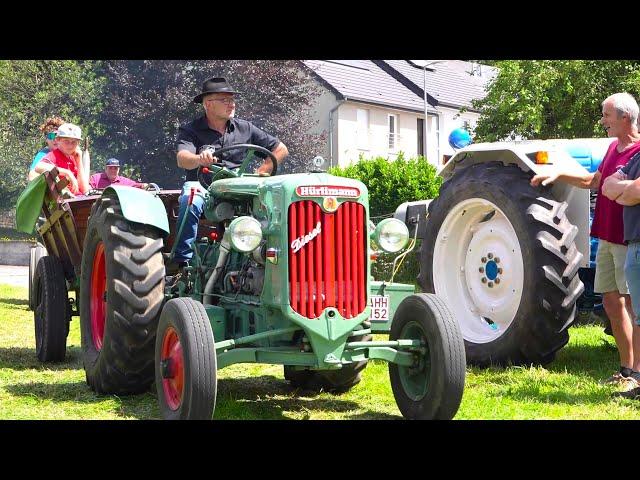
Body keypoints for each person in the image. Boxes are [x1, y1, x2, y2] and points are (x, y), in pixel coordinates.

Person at [531, 92, 640, 390]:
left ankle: (636, 374)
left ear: (625, 117)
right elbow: (594, 181)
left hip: (628, 238)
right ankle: (626, 368)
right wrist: (558, 173)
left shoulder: (638, 150)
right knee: (610, 302)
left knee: (631, 304)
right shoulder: (613, 149)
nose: (602, 121)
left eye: (607, 115)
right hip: (606, 236)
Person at [171, 76, 289, 270]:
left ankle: (272, 256)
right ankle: (182, 261)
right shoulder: (191, 129)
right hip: (203, 186)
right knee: (191, 197)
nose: (231, 104)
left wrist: (264, 169)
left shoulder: (246, 128)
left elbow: (280, 148)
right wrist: (199, 159)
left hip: (238, 186)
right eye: (224, 100)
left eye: (232, 99)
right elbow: (182, 158)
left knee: (276, 203)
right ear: (208, 104)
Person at [601, 135, 640, 398]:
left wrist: (624, 190)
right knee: (639, 315)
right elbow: (607, 186)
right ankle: (635, 377)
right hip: (634, 243)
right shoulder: (637, 158)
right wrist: (627, 189)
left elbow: (632, 193)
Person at [32, 122, 90, 196]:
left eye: (74, 142)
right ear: (57, 140)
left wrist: (79, 161)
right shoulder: (54, 155)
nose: (70, 145)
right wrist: (67, 173)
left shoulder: (74, 157)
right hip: (67, 203)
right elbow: (38, 167)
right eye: (66, 141)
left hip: (80, 200)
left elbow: (84, 190)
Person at [27, 116, 65, 181]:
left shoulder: (69, 152)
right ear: (46, 139)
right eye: (51, 136)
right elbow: (32, 176)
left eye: (57, 136)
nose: (54, 139)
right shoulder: (44, 154)